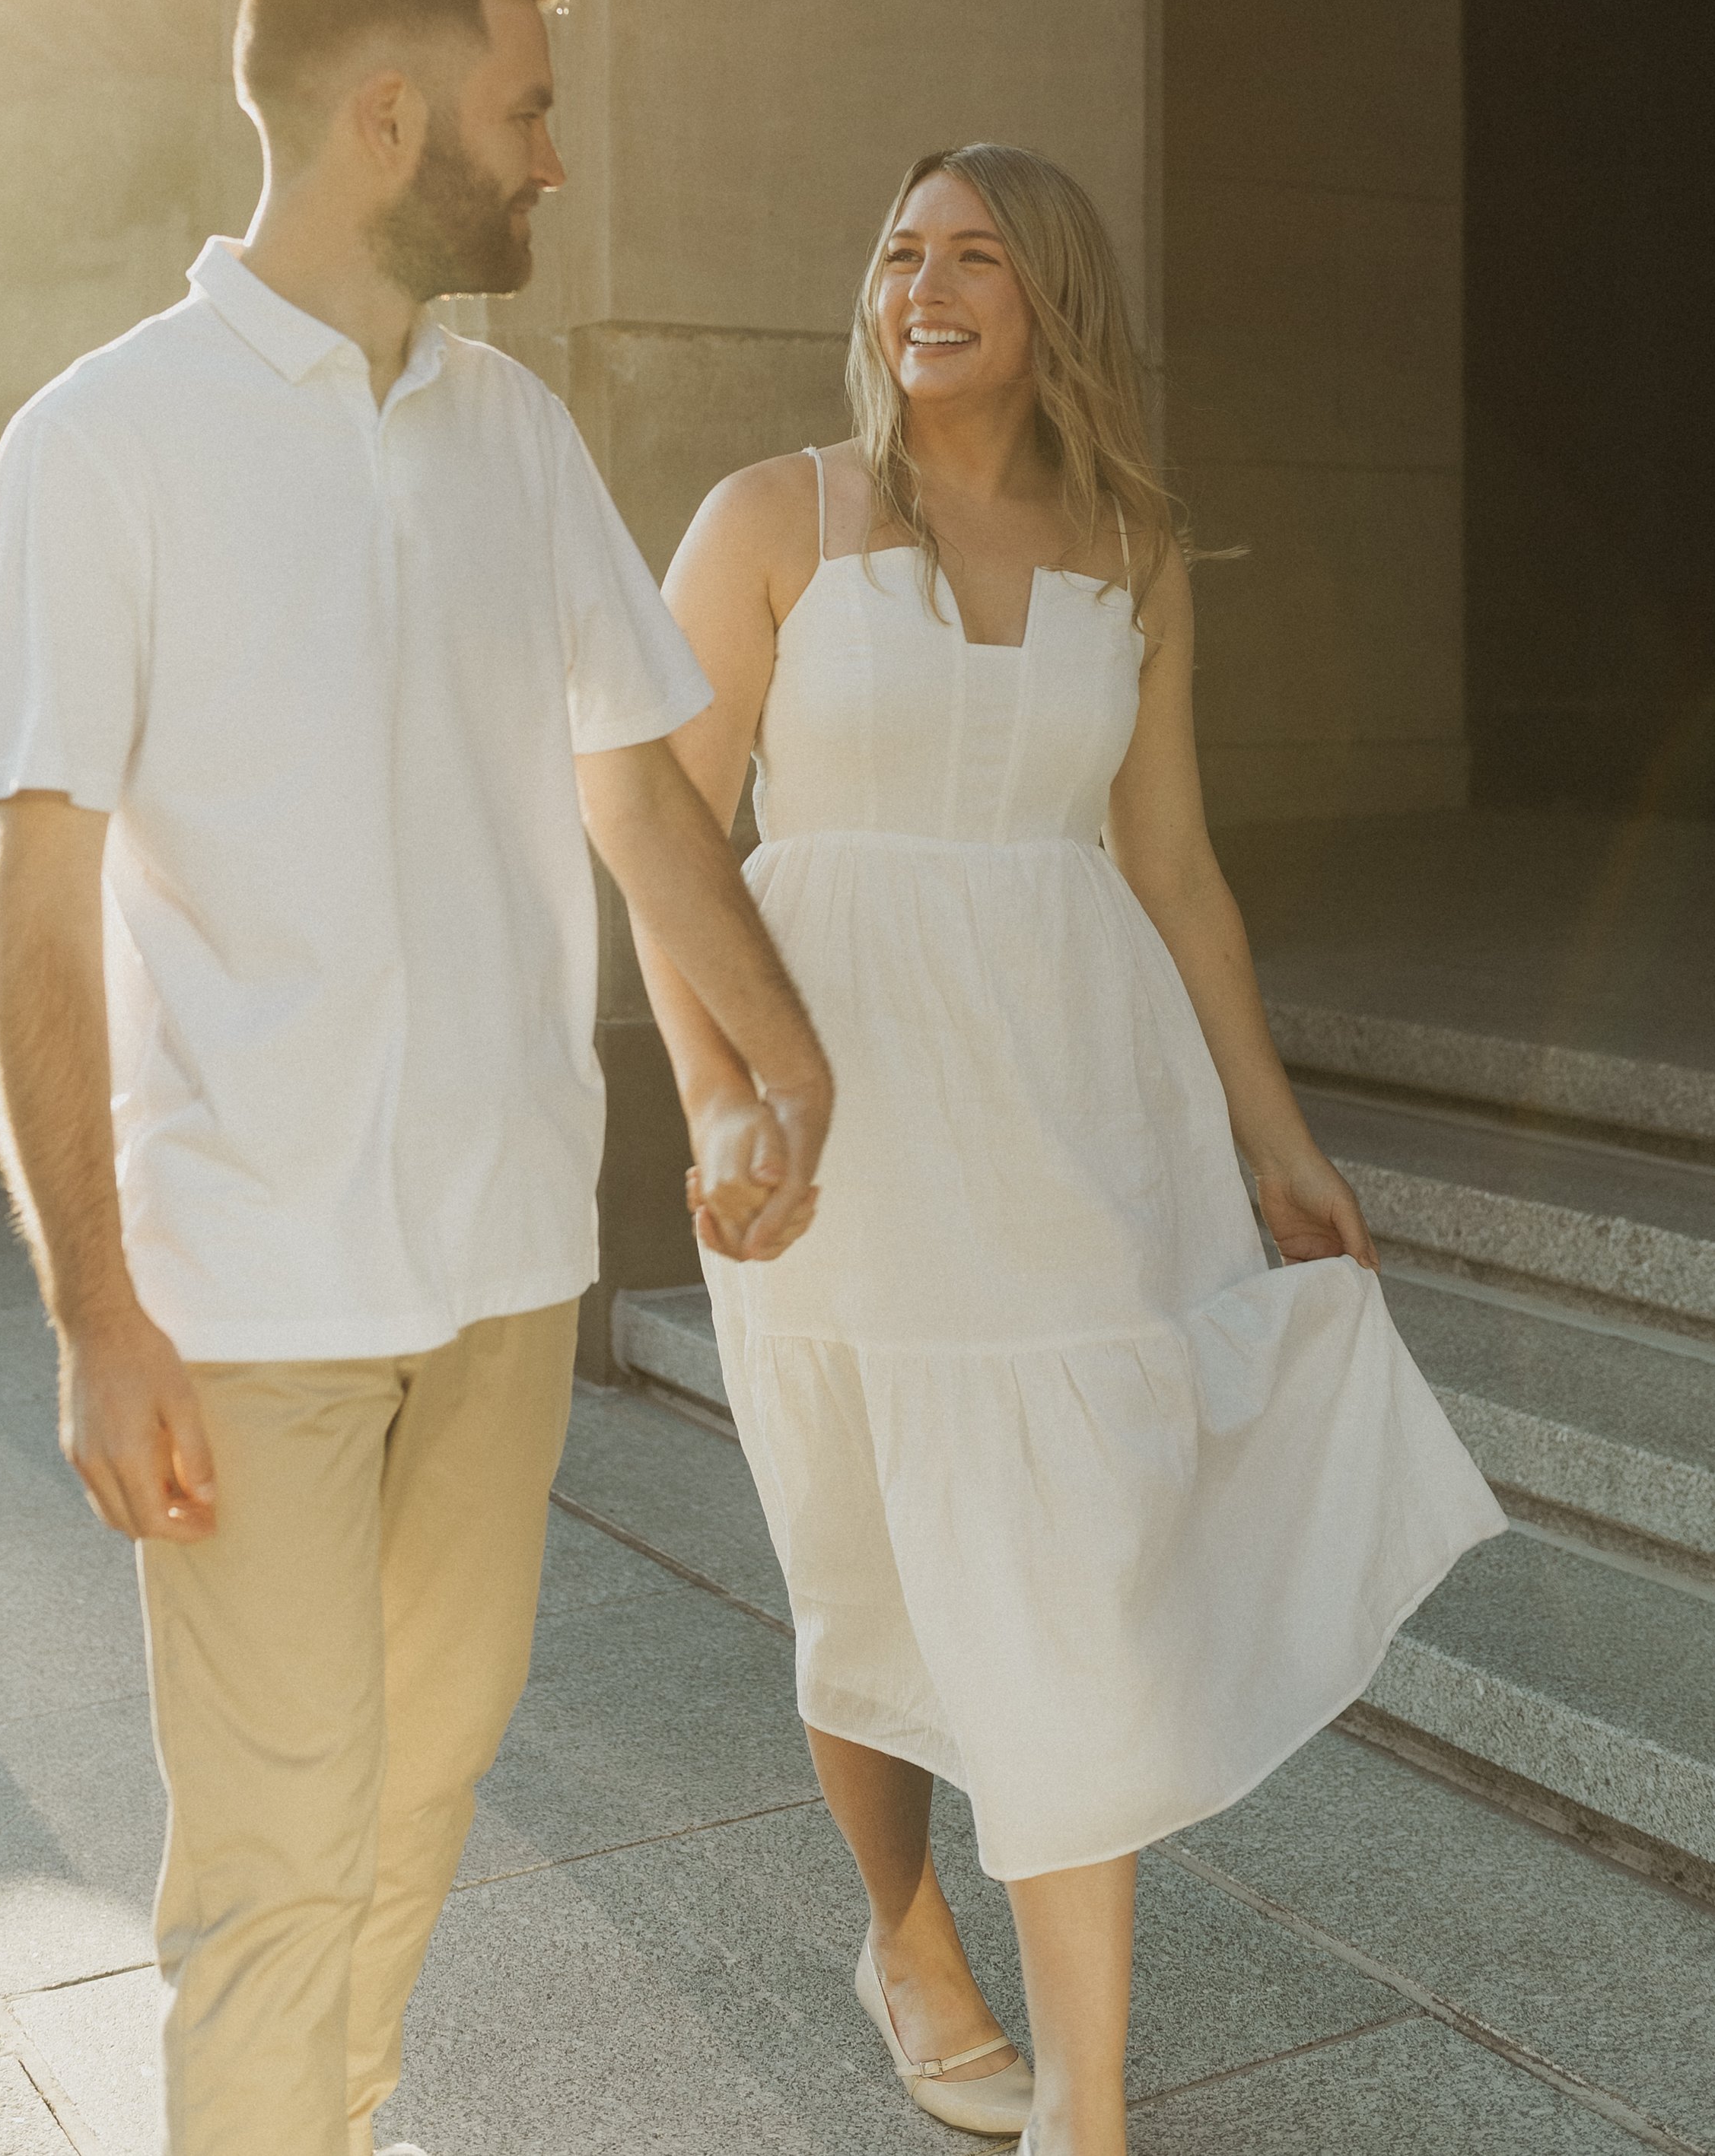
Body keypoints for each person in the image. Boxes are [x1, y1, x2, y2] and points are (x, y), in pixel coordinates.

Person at [0, 0, 832, 2156]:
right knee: (270, 1859)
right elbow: (36, 901)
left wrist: (775, 1054)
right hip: (241, 1282)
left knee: (422, 1784)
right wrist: (95, 1311)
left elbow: (634, 784)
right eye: (523, 107)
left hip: (504, 1264)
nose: (550, 157)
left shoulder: (510, 430)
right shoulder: (102, 444)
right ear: (386, 118)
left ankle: (331, 2123)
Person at [638, 143, 1505, 2156]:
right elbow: (667, 835)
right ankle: (907, 1936)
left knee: (1060, 1572)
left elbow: (1173, 865)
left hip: (1071, 1108)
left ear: (1057, 304)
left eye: (973, 258)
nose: (919, 286)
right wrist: (718, 1093)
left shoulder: (1130, 543)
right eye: (896, 252)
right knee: (861, 1561)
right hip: (833, 1107)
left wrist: (1271, 1142)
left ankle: (1087, 2108)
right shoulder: (769, 516)